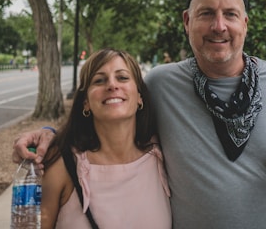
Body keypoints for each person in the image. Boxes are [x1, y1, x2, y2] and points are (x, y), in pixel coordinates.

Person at [13, 0, 266, 228]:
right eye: (206, 13)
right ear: (187, 21)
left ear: (245, 24)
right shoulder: (160, 84)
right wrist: (50, 135)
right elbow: (110, 118)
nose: (218, 25)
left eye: (230, 15)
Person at [39, 48, 171, 228]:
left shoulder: (163, 155)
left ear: (140, 96)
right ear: (85, 102)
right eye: (99, 80)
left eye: (122, 78)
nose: (112, 85)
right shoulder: (62, 165)